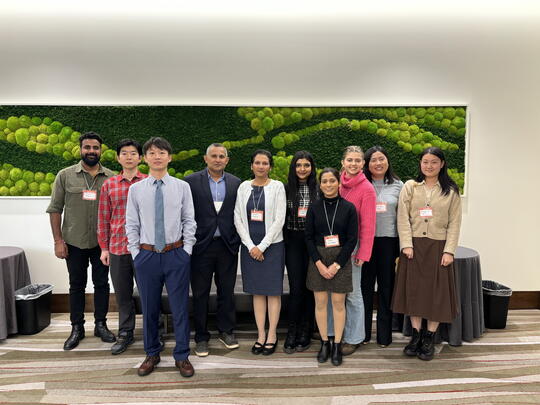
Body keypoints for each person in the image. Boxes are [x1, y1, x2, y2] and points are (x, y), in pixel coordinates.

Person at [126, 137, 196, 377]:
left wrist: (186, 251)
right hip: (146, 256)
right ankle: (151, 353)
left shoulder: (181, 187)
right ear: (145, 158)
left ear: (170, 157)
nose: (157, 156)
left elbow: (189, 220)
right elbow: (131, 224)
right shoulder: (135, 189)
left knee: (179, 307)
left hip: (175, 254)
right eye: (152, 153)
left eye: (162, 152)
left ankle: (182, 355)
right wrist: (136, 253)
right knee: (149, 307)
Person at [47, 131, 116, 350]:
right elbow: (55, 209)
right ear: (80, 149)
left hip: (102, 244)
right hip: (74, 242)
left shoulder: (112, 177)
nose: (91, 151)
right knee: (76, 285)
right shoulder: (65, 175)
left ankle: (101, 325)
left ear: (101, 150)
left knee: (102, 284)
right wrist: (58, 241)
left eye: (95, 148)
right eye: (87, 147)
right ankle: (77, 327)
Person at [392, 147, 462, 361]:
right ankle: (415, 336)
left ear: (442, 164)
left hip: (438, 247)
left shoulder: (450, 190)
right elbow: (402, 217)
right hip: (413, 247)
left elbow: (455, 223)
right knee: (414, 291)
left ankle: (429, 337)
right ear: (420, 164)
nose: (429, 166)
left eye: (433, 162)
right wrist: (406, 244)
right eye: (425, 162)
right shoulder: (410, 187)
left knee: (435, 294)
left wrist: (449, 250)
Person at [184, 143, 241, 357]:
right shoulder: (190, 182)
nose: (217, 159)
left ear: (227, 160)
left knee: (227, 291)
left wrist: (236, 240)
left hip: (227, 246)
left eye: (221, 156)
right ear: (205, 159)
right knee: (200, 293)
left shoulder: (236, 183)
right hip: (201, 246)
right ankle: (201, 336)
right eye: (213, 156)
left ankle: (226, 331)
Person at [234, 149, 286, 356]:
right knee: (257, 292)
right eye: (257, 163)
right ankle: (261, 334)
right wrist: (250, 246)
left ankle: (272, 334)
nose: (261, 166)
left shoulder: (277, 187)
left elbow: (279, 219)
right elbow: (237, 217)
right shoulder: (243, 187)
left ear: (270, 166)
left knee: (272, 292)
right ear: (252, 166)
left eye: (265, 163)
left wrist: (262, 246)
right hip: (249, 248)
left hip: (272, 247)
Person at [97, 139, 147, 355]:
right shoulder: (109, 184)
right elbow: (103, 218)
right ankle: (126, 332)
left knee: (148, 293)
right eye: (124, 153)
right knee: (123, 294)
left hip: (145, 249)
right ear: (118, 158)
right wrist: (104, 248)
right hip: (118, 248)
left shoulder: (148, 182)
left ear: (140, 158)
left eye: (133, 153)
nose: (129, 156)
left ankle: (152, 331)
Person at [305, 168, 358, 366]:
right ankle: (324, 343)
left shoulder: (349, 208)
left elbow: (353, 239)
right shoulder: (314, 207)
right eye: (324, 181)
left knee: (337, 303)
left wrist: (336, 265)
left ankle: (337, 344)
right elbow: (308, 238)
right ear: (320, 184)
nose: (328, 184)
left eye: (332, 181)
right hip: (317, 258)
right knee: (320, 303)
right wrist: (318, 263)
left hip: (340, 259)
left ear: (338, 183)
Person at [327, 145, 376, 356]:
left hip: (354, 249)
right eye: (350, 160)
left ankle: (354, 337)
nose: (353, 164)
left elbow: (368, 225)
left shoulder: (367, 189)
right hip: (331, 247)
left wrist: (363, 253)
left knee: (353, 294)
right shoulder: (337, 184)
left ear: (363, 164)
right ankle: (331, 331)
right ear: (343, 162)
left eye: (357, 160)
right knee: (332, 291)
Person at [361, 146, 403, 347]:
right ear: (367, 165)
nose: (378, 163)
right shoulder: (361, 184)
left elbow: (404, 218)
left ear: (387, 161)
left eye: (381, 159)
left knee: (387, 289)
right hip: (365, 242)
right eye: (373, 160)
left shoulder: (398, 185)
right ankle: (364, 334)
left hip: (389, 242)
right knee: (365, 289)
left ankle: (384, 335)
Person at [283, 151, 317, 354]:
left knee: (310, 287)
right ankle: (292, 330)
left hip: (312, 243)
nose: (302, 169)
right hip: (293, 242)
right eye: (298, 165)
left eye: (306, 165)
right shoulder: (286, 189)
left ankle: (306, 330)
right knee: (296, 288)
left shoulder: (318, 190)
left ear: (312, 168)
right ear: (293, 168)